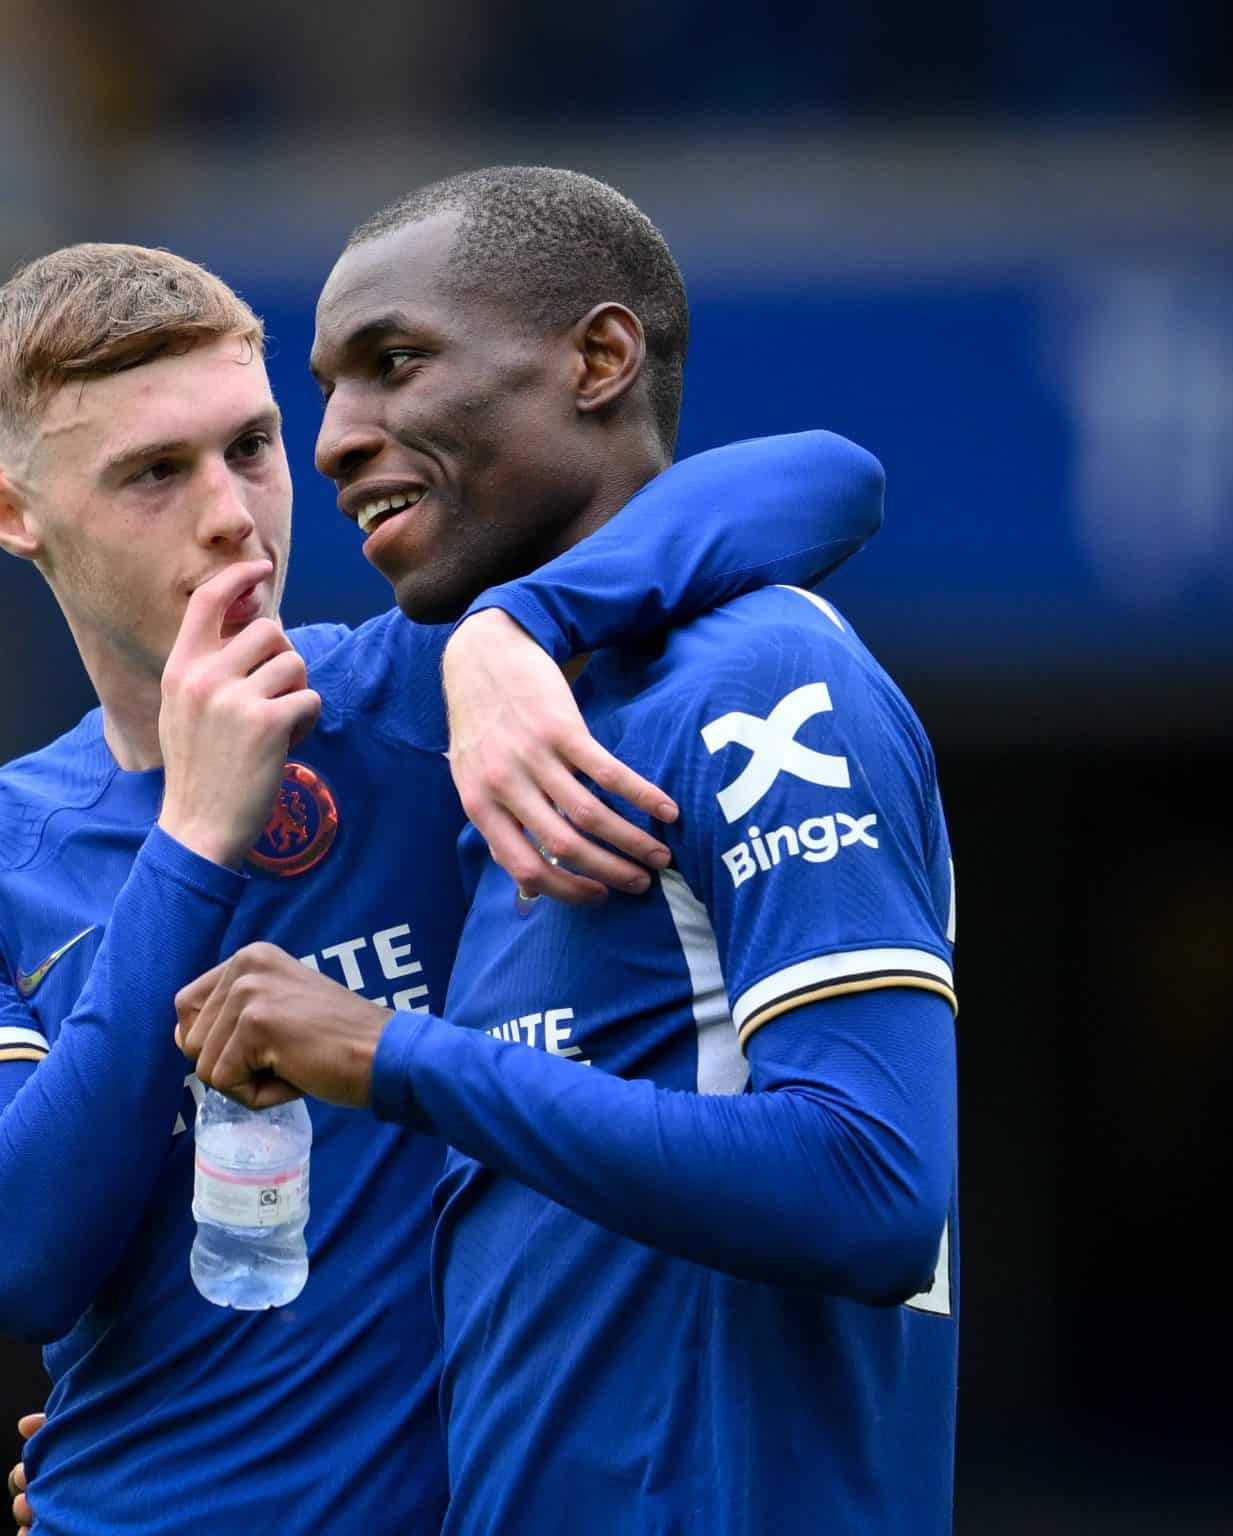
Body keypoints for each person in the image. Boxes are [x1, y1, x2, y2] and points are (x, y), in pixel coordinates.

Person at [0, 240, 881, 1535]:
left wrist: (525, 622)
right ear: (14, 512)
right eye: (155, 472)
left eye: (251, 447)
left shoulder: (425, 693)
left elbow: (830, 481)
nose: (232, 514)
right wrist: (192, 843)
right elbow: (12, 1265)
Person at [178, 167, 959, 1533]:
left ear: (599, 359)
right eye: (328, 391)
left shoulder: (763, 679)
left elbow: (873, 1190)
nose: (335, 440)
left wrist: (392, 1056)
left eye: (395, 362)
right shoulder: (517, 735)